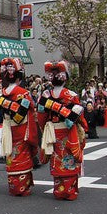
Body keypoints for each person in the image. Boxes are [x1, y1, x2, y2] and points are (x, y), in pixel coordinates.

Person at [37, 61, 88, 201]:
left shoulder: (45, 95)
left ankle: (59, 190)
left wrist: (45, 125)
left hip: (53, 131)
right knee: (68, 157)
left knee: (57, 157)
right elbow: (79, 118)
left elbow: (41, 116)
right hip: (67, 130)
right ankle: (69, 191)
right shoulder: (71, 95)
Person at [0, 58, 39, 196]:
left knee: (11, 153)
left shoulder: (0, 94)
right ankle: (23, 186)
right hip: (21, 127)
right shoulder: (23, 93)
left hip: (8, 126)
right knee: (22, 152)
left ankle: (14, 186)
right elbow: (26, 110)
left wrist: (2, 102)